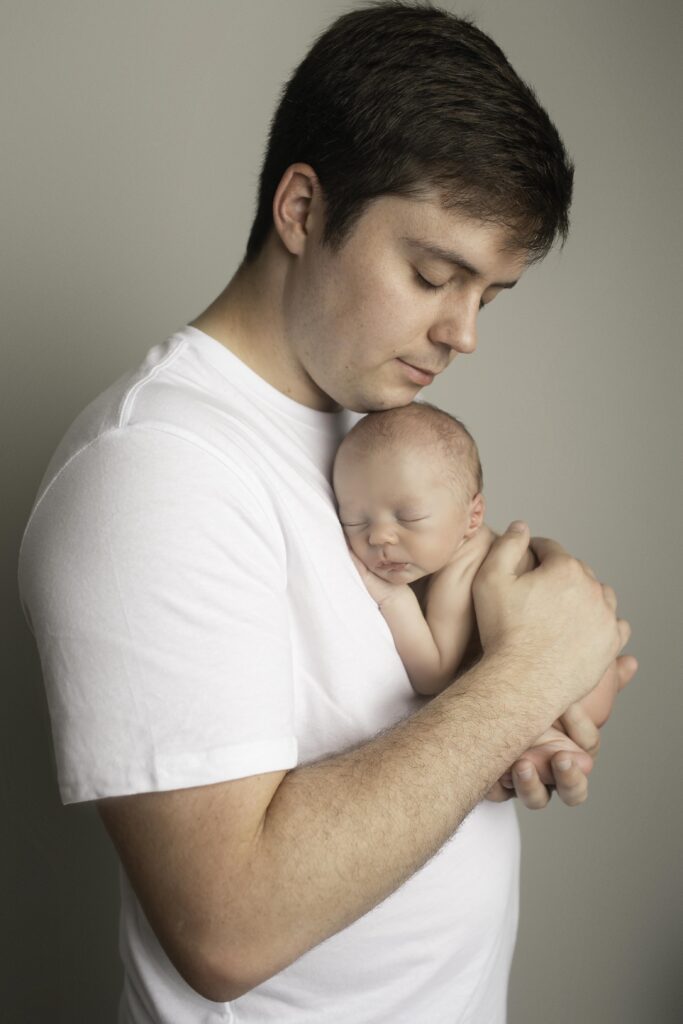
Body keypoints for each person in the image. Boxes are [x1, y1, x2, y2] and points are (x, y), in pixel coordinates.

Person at [17, 3, 636, 1022]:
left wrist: (546, 659)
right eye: (433, 274)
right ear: (300, 208)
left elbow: (460, 676)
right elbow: (228, 924)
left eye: (490, 294)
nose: (463, 333)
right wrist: (526, 678)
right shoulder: (154, 469)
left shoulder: (366, 433)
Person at [333, 401, 622, 787]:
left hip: (572, 694)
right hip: (585, 672)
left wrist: (392, 598)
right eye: (355, 521)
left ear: (472, 517)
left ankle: (548, 741)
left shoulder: (465, 572)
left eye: (409, 518)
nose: (379, 536)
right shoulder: (454, 551)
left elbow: (433, 674)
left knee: (519, 740)